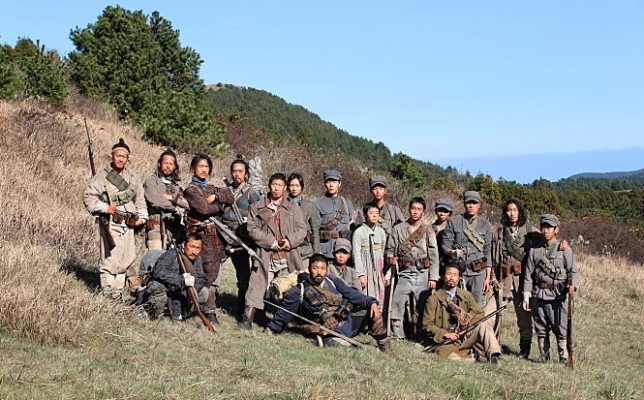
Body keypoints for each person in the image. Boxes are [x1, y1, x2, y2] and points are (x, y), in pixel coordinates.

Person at [265, 254, 394, 355]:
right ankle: (363, 350)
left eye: (322, 269)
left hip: (346, 322)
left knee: (372, 311)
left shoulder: (333, 281)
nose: (319, 272)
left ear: (326, 270)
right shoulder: (299, 291)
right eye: (315, 268)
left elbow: (353, 295)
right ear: (309, 269)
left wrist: (371, 302)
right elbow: (285, 313)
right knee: (343, 348)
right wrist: (271, 329)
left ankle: (385, 347)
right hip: (327, 333)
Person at [239, 173, 307, 329]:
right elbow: (252, 229)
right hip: (265, 255)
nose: (276, 188)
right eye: (274, 184)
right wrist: (271, 242)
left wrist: (289, 241)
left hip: (287, 256)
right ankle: (247, 319)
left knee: (287, 288)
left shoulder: (293, 208)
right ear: (269, 186)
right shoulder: (257, 207)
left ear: (285, 188)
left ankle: (279, 322)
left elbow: (302, 229)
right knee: (257, 286)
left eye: (280, 185)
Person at [83, 138, 148, 300]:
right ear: (112, 156)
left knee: (126, 257)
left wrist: (142, 217)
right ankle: (107, 290)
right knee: (110, 258)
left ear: (127, 159)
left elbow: (139, 199)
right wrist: (105, 208)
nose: (120, 159)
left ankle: (118, 291)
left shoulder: (133, 178)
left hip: (129, 222)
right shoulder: (103, 177)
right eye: (118, 155)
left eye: (124, 156)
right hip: (111, 221)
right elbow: (88, 196)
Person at [523, 214, 579, 365]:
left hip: (558, 296)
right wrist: (527, 295)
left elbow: (573, 271)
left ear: (556, 230)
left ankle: (564, 359)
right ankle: (545, 360)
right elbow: (528, 275)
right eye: (543, 227)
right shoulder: (534, 251)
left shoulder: (564, 249)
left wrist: (573, 285)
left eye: (549, 228)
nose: (546, 231)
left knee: (561, 330)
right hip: (539, 295)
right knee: (541, 330)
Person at [422, 264, 501, 363]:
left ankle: (493, 355)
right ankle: (474, 357)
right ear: (443, 276)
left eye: (455, 275)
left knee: (483, 324)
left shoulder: (466, 295)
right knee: (444, 355)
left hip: (465, 336)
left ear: (459, 278)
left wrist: (470, 325)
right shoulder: (433, 299)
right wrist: (445, 334)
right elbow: (427, 325)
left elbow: (479, 313)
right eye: (449, 274)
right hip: (446, 341)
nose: (452, 277)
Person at [386, 197, 440, 338]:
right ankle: (397, 334)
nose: (415, 212)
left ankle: (422, 336)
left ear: (423, 212)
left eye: (419, 209)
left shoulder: (428, 230)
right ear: (409, 210)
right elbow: (390, 249)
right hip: (404, 273)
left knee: (423, 306)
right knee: (397, 302)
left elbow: (434, 255)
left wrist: (433, 277)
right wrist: (391, 258)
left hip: (423, 273)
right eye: (413, 208)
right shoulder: (398, 229)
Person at [182, 154, 234, 297]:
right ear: (193, 168)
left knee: (213, 272)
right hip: (200, 236)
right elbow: (204, 209)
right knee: (201, 272)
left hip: (215, 237)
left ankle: (207, 303)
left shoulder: (211, 188)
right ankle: (197, 301)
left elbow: (229, 196)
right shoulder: (191, 190)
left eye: (206, 166)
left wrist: (216, 197)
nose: (204, 170)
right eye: (201, 166)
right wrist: (221, 206)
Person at [494, 199, 537, 358]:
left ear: (520, 211)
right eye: (509, 210)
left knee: (524, 318)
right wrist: (494, 278)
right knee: (496, 314)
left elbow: (547, 244)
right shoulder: (499, 233)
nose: (512, 213)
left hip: (522, 281)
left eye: (515, 210)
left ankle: (525, 350)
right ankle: (493, 345)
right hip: (503, 279)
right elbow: (493, 257)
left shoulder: (530, 231)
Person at [144, 234, 218, 324]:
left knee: (205, 292)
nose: (194, 251)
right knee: (156, 286)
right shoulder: (171, 254)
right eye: (191, 246)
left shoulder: (197, 259)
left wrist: (193, 291)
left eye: (197, 248)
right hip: (167, 290)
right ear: (184, 244)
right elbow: (158, 272)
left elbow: (200, 278)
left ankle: (185, 312)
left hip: (182, 292)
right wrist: (181, 280)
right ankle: (157, 315)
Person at [221, 157, 262, 318]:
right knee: (212, 271)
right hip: (222, 235)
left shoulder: (252, 194)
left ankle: (242, 311)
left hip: (241, 240)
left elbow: (258, 218)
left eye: (240, 171)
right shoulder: (225, 191)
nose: (237, 174)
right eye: (234, 171)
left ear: (246, 174)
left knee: (244, 276)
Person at [440, 191, 493, 307]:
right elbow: (445, 246)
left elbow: (487, 252)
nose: (471, 206)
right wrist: (453, 253)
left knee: (476, 307)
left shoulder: (486, 225)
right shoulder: (454, 222)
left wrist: (487, 277)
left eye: (474, 203)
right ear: (464, 204)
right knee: (456, 305)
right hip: (459, 272)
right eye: (468, 203)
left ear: (479, 205)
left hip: (478, 273)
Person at [143, 149, 189, 250]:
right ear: (159, 164)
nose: (168, 166)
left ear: (175, 166)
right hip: (155, 225)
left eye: (171, 164)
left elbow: (186, 203)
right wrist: (175, 202)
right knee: (155, 255)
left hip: (172, 225)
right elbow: (156, 202)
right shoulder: (151, 182)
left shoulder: (176, 186)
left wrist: (171, 198)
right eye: (165, 163)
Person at [352, 202, 388, 306]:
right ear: (365, 214)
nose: (374, 215)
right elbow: (356, 254)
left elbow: (383, 251)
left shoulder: (381, 232)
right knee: (366, 294)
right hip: (365, 268)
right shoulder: (359, 232)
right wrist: (360, 274)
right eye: (371, 213)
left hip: (379, 269)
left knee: (380, 295)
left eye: (377, 213)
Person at [314, 169, 354, 260]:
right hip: (325, 252)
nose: (331, 185)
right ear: (324, 184)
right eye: (328, 182)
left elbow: (351, 225)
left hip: (344, 251)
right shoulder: (318, 203)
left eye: (334, 182)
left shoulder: (347, 203)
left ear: (339, 184)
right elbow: (315, 230)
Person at [287, 173, 320, 262]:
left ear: (301, 187)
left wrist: (316, 252)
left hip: (305, 251)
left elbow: (315, 230)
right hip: (287, 250)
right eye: (291, 185)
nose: (294, 188)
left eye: (297, 186)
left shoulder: (309, 205)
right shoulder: (282, 204)